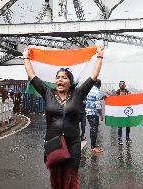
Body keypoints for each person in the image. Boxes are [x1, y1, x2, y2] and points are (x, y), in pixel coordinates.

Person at [22, 45, 104, 189]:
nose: (60, 80)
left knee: (70, 178)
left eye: (64, 78)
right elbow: (32, 75)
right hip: (53, 143)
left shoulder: (78, 94)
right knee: (56, 177)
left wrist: (99, 55)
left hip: (73, 144)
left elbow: (93, 76)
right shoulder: (47, 93)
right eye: (58, 77)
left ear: (70, 82)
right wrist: (26, 58)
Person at [85, 79, 104, 153]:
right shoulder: (97, 91)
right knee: (94, 129)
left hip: (88, 112)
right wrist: (101, 115)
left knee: (92, 128)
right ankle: (93, 147)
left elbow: (90, 100)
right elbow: (98, 106)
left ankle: (93, 145)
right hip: (93, 113)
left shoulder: (89, 90)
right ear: (99, 85)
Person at [115, 81, 132, 145]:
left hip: (127, 111)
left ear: (125, 85)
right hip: (119, 111)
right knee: (120, 126)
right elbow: (113, 100)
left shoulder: (128, 92)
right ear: (119, 86)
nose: (122, 85)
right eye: (121, 84)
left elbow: (132, 100)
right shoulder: (117, 93)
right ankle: (120, 139)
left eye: (123, 84)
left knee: (128, 125)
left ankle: (127, 138)